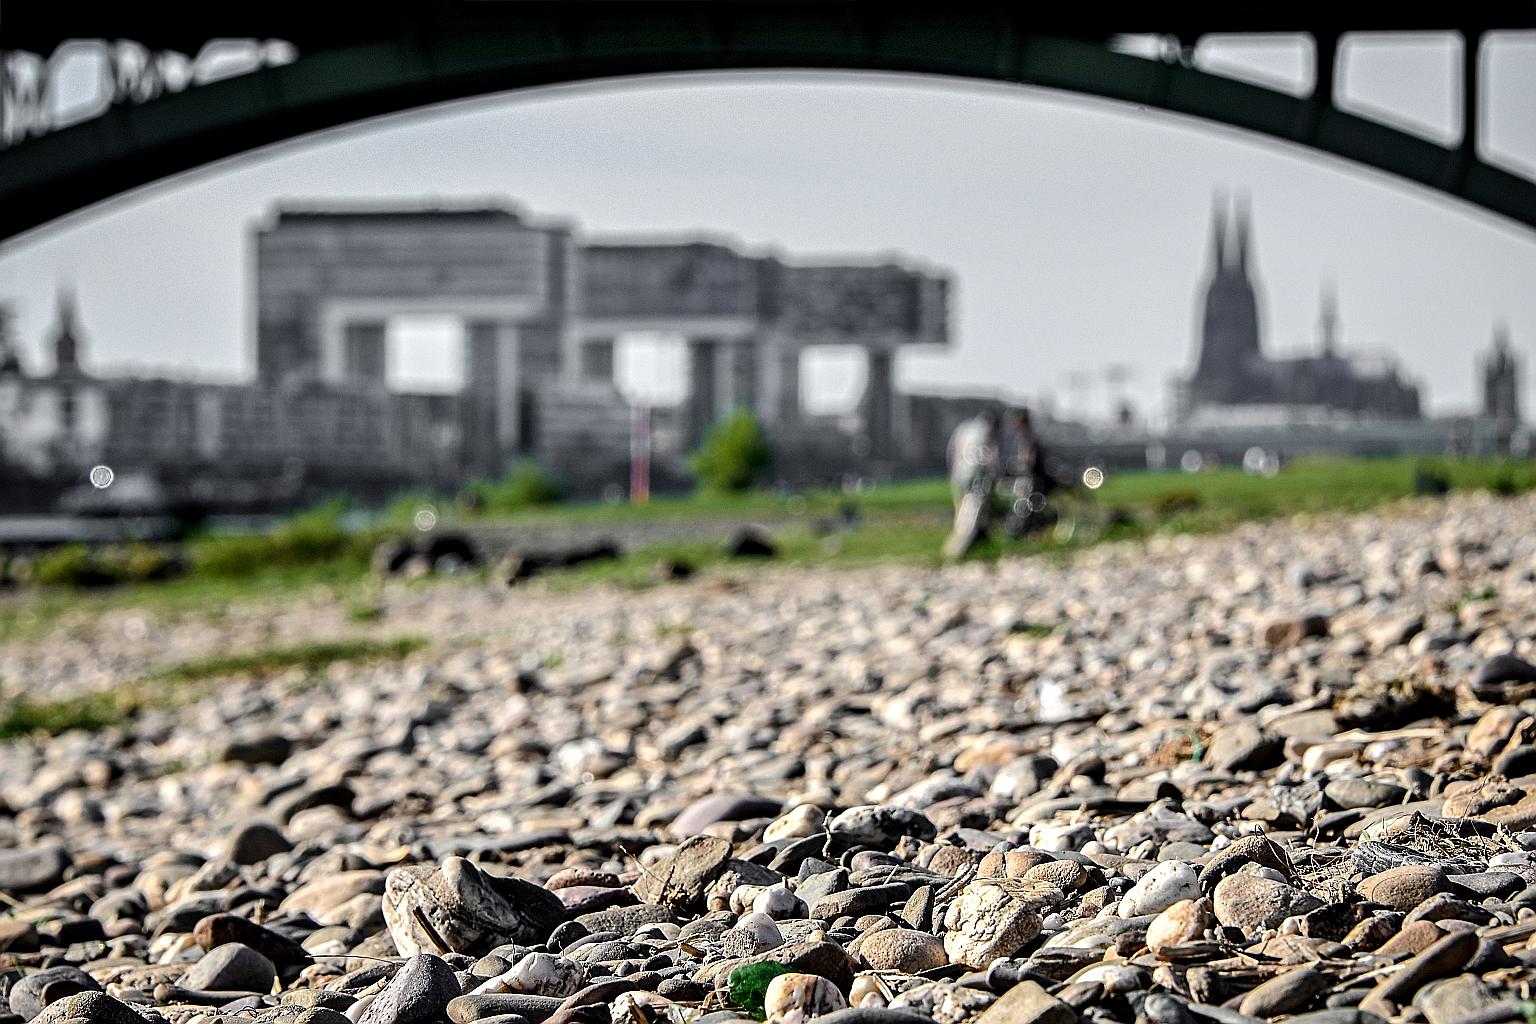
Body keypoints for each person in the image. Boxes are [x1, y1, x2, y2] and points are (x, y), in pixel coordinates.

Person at [943, 410, 1001, 560]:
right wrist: (993, 471)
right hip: (974, 476)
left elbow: (952, 449)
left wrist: (953, 471)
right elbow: (986, 456)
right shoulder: (984, 432)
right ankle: (962, 544)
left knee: (962, 508)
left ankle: (975, 537)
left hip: (958, 473)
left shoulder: (965, 429)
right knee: (974, 509)